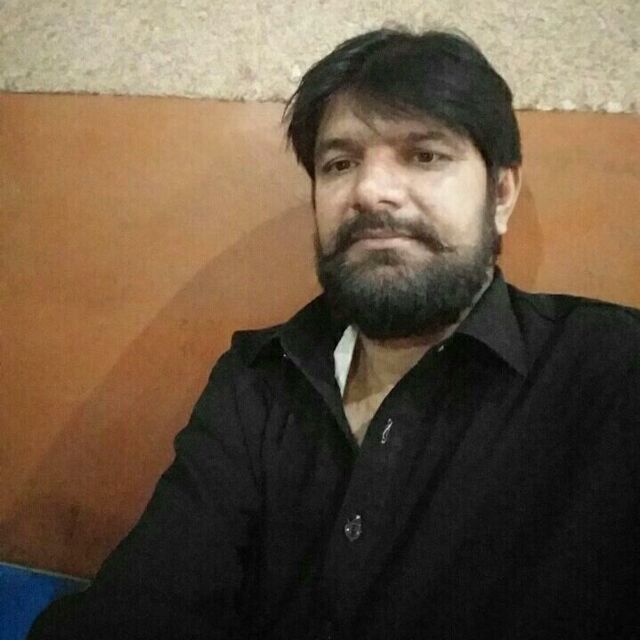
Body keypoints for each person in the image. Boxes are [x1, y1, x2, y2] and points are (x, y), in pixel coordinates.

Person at [29, 27, 639, 640]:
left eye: (425, 155)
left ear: (500, 194)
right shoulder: (258, 380)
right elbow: (147, 602)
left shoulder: (612, 375)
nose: (370, 191)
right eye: (340, 164)